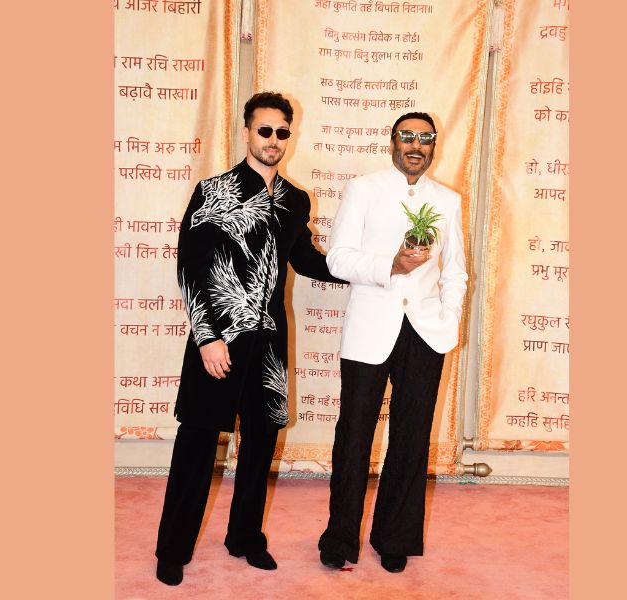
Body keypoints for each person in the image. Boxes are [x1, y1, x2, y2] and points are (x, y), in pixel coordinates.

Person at [155, 92, 343, 586]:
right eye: (265, 130)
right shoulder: (213, 191)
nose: (273, 140)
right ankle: (172, 549)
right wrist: (207, 338)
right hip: (218, 341)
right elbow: (190, 269)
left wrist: (371, 270)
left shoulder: (296, 200)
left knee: (260, 447)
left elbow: (307, 259)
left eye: (282, 132)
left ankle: (245, 539)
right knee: (197, 444)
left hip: (269, 347)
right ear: (246, 132)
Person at [317, 112, 468, 573]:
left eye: (425, 138)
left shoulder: (448, 201)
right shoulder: (363, 189)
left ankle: (395, 537)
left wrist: (449, 318)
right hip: (370, 329)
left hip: (424, 332)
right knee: (354, 435)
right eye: (407, 136)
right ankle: (340, 538)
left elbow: (456, 270)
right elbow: (338, 259)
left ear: (434, 146)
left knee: (411, 436)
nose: (416, 145)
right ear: (392, 142)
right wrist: (391, 266)